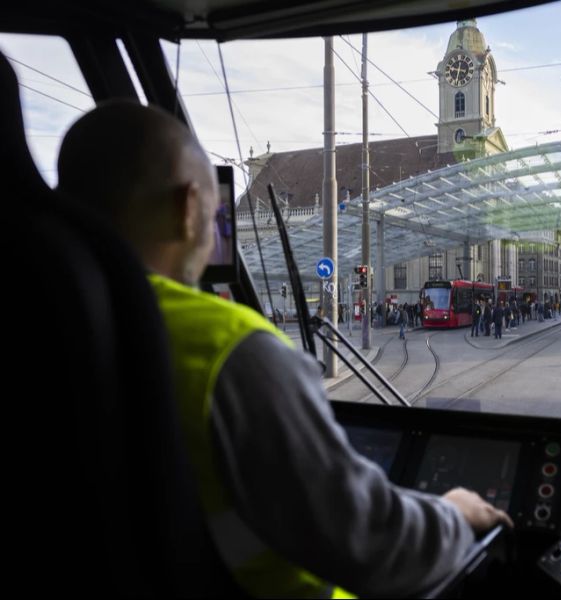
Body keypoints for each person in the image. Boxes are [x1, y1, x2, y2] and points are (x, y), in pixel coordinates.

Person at [56, 102, 511, 598]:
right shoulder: (229, 349)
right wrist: (454, 514)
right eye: (216, 217)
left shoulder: (42, 316)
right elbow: (369, 541)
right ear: (189, 210)